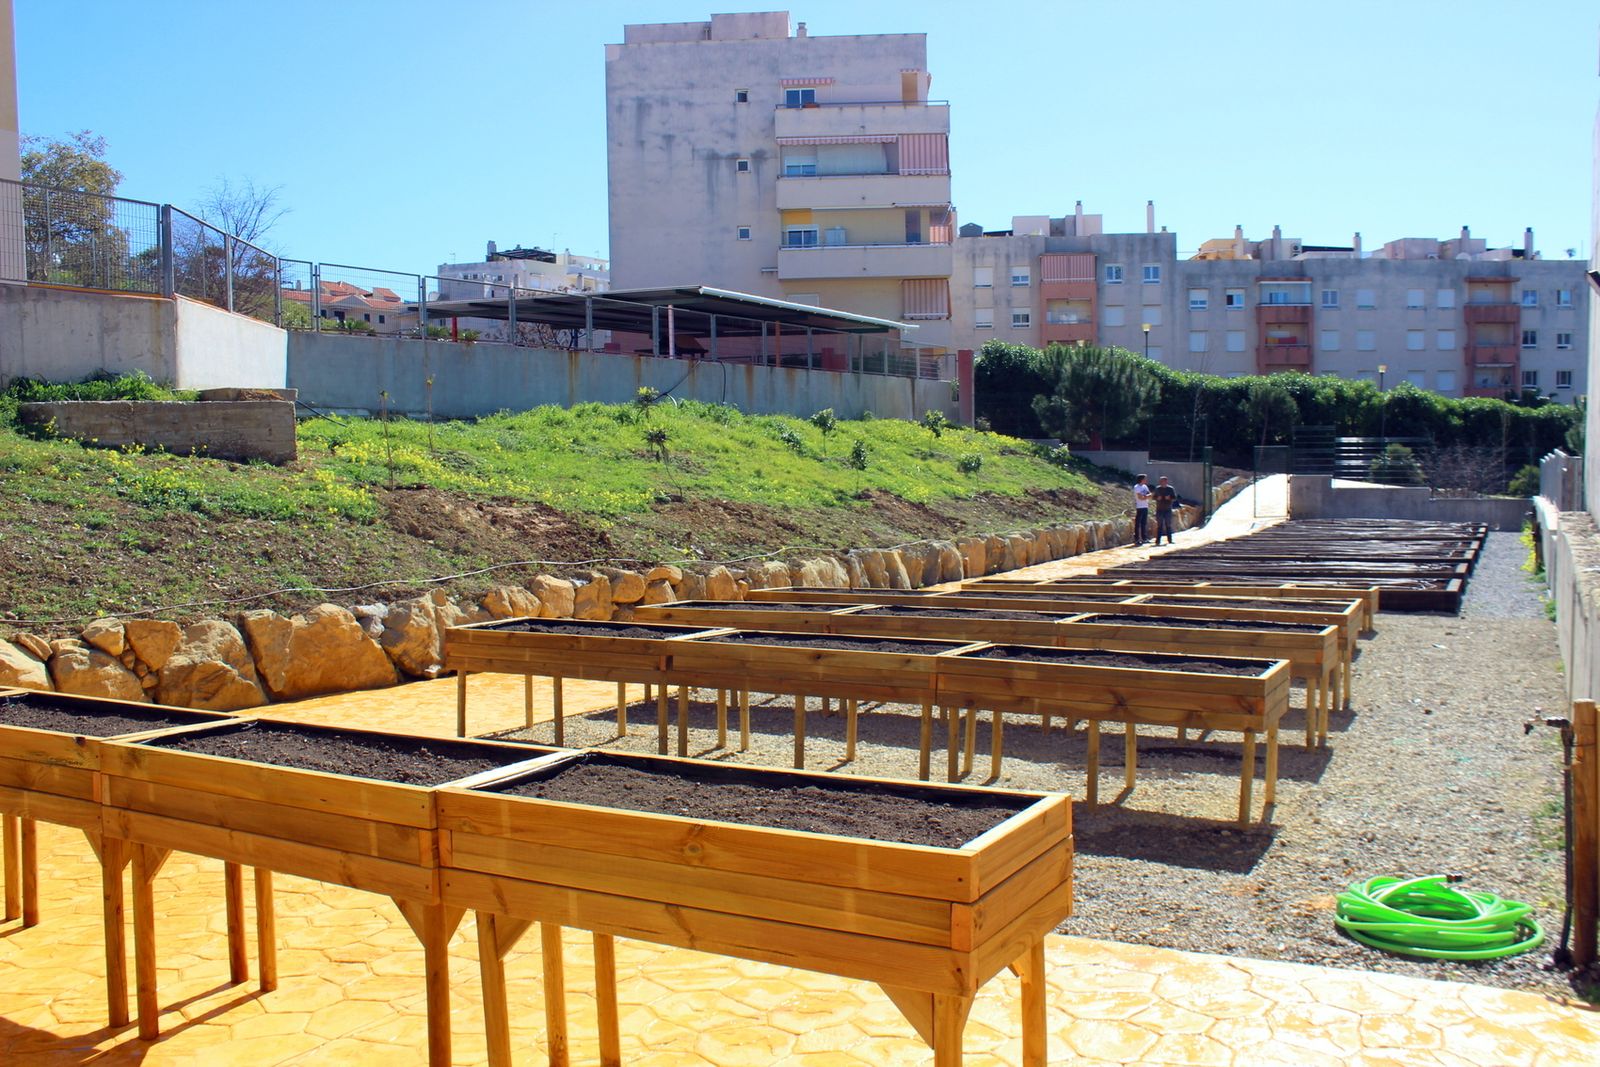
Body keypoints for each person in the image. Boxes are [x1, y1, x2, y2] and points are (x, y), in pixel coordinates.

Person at [1152, 475, 1178, 545]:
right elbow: (1153, 497)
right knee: (1159, 525)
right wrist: (1157, 498)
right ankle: (1158, 541)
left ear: (1166, 482)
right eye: (1160, 481)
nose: (1161, 482)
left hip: (1168, 509)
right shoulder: (1157, 488)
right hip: (1159, 509)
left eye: (1163, 481)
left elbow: (1174, 498)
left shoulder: (1170, 489)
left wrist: (1169, 498)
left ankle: (1170, 540)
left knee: (1168, 525)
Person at [1132, 474, 1152, 545]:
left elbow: (1150, 495)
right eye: (1145, 478)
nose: (1146, 480)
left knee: (1144, 523)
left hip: (1145, 506)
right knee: (1138, 523)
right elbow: (1140, 497)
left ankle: (1144, 538)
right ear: (1141, 479)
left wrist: (1145, 496)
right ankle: (1137, 539)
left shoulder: (1145, 486)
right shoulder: (1137, 487)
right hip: (1139, 507)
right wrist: (1146, 496)